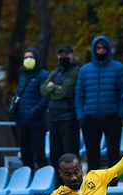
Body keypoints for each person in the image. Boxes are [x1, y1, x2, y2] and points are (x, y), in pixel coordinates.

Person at [76, 36, 123, 177]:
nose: (101, 51)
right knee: (92, 154)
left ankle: (113, 184)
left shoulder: (118, 68)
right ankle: (93, 184)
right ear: (94, 50)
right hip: (90, 118)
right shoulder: (85, 70)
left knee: (113, 154)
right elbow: (79, 94)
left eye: (104, 48)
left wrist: (120, 115)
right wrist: (81, 116)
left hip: (112, 117)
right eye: (98, 48)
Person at [41, 44, 81, 187]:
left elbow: (64, 91)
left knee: (70, 158)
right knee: (55, 158)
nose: (64, 57)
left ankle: (74, 189)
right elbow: (43, 90)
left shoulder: (76, 70)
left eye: (66, 54)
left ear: (72, 55)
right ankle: (59, 191)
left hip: (68, 118)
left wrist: (53, 87)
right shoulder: (56, 71)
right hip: (53, 118)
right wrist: (52, 88)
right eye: (61, 54)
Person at [15, 47, 50, 172]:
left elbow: (45, 98)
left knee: (39, 156)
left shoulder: (44, 75)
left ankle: (44, 185)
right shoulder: (23, 76)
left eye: (31, 57)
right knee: (25, 156)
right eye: (25, 57)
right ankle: (28, 183)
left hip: (37, 123)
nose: (28, 60)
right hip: (23, 122)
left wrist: (33, 112)